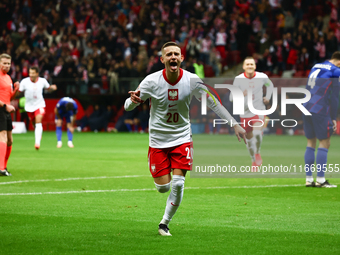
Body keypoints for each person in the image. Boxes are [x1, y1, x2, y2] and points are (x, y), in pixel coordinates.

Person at [125, 42, 246, 236]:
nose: (173, 57)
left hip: (181, 137)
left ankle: (164, 223)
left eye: (176, 54)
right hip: (157, 140)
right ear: (162, 59)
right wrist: (133, 101)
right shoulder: (151, 81)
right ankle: (159, 171)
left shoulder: (192, 80)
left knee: (178, 183)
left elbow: (214, 103)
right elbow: (126, 106)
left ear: (182, 58)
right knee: (163, 188)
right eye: (169, 54)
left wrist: (234, 124)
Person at [302, 51, 340, 188]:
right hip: (319, 108)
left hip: (305, 106)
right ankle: (321, 180)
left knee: (310, 142)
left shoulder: (316, 66)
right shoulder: (336, 71)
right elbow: (335, 96)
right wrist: (334, 117)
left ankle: (308, 179)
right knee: (325, 142)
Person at [230, 57, 274, 168]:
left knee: (257, 133)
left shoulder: (262, 77)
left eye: (251, 64)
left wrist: (268, 97)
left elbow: (270, 85)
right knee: (249, 141)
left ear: (255, 66)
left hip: (258, 110)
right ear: (243, 67)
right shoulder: (238, 79)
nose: (250, 66)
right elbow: (231, 97)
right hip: (244, 113)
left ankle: (258, 152)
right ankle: (253, 160)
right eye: (247, 64)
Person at [18, 66, 57, 150]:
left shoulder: (42, 81)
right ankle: (39, 133)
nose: (31, 75)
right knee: (34, 123)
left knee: (38, 120)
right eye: (30, 73)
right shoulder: (24, 82)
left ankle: (37, 143)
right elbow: (19, 92)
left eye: (32, 73)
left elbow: (48, 89)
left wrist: (52, 88)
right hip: (29, 107)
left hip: (40, 105)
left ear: (37, 73)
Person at [0, 53, 19, 176]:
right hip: (1, 108)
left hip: (6, 109)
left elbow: (10, 96)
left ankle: (4, 167)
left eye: (8, 63)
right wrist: (5, 106)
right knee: (3, 137)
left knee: (10, 141)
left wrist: (16, 90)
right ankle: (1, 168)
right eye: (4, 63)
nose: (6, 65)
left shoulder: (8, 78)